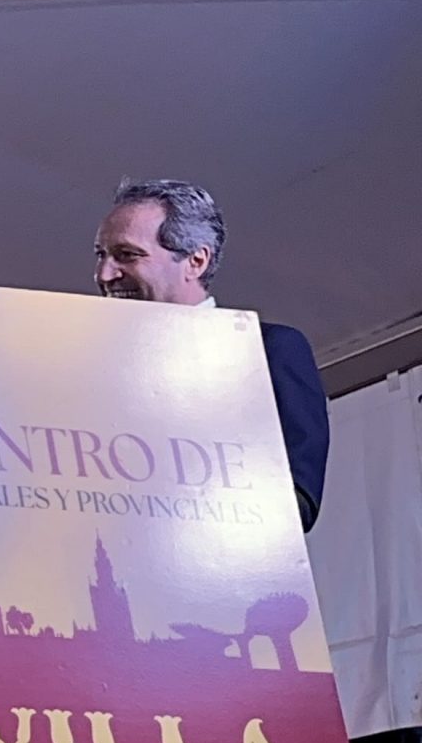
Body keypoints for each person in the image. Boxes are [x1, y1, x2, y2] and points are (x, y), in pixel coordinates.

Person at [93, 178, 329, 530]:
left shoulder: (269, 350)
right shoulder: (91, 369)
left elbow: (298, 501)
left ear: (195, 261)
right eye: (101, 255)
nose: (104, 274)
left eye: (127, 255)